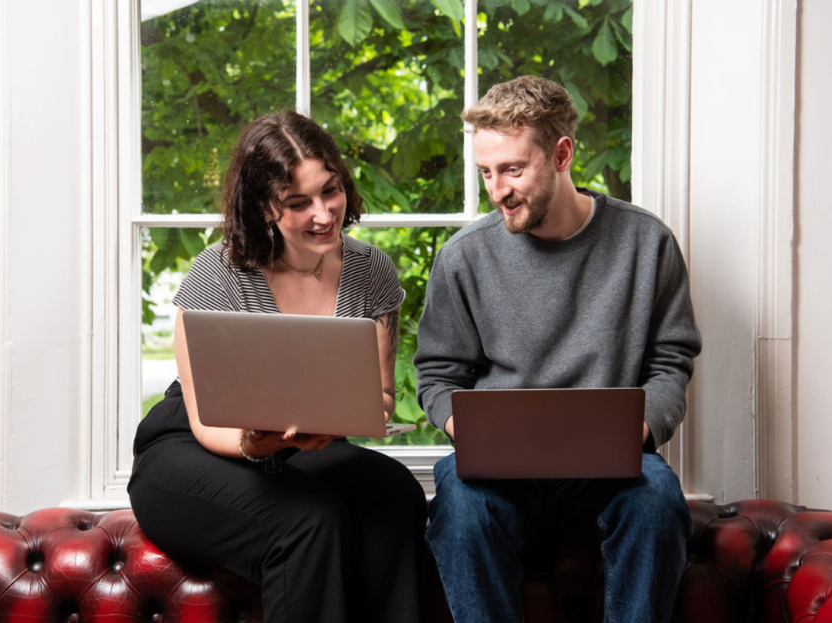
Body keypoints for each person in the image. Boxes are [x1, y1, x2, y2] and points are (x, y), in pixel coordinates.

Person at [414, 76, 702, 622]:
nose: (497, 191)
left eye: (513, 170)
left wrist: (635, 432)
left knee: (657, 500)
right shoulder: (463, 258)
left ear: (562, 154)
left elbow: (670, 364)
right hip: (498, 476)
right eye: (486, 173)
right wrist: (471, 431)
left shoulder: (646, 242)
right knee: (460, 504)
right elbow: (436, 376)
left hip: (612, 470)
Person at [128, 110, 427, 623]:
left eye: (330, 191)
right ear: (265, 206)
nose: (324, 213)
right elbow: (206, 423)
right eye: (298, 202)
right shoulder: (218, 271)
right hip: (195, 446)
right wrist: (256, 441)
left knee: (396, 492)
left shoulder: (370, 270)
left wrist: (329, 423)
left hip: (303, 443)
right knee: (310, 520)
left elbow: (378, 398)